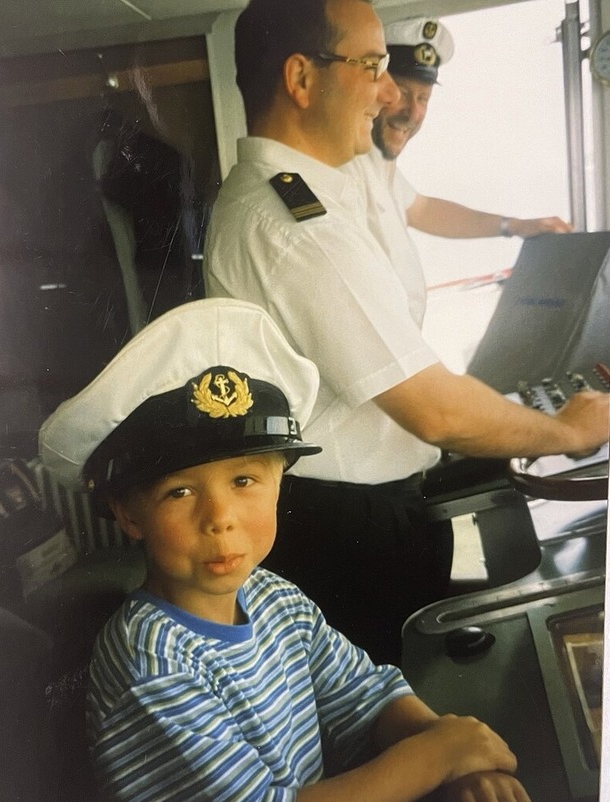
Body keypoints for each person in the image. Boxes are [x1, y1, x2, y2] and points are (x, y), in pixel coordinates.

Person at [203, 0, 609, 666]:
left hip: (378, 501)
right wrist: (569, 432)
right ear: (302, 80)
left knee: (480, 599)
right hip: (353, 526)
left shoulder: (305, 190)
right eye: (372, 66)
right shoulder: (298, 225)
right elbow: (436, 411)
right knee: (411, 688)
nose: (391, 93)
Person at [39, 297, 531, 802]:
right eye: (180, 492)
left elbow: (363, 698)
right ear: (127, 514)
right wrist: (436, 756)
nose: (220, 518)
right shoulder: (152, 667)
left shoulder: (274, 597)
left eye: (245, 480)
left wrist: (457, 759)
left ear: (279, 485)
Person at [347, 16, 573, 247]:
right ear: (375, 89)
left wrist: (515, 226)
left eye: (423, 98)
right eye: (402, 93)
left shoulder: (378, 162)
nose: (413, 113)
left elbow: (422, 210)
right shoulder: (347, 167)